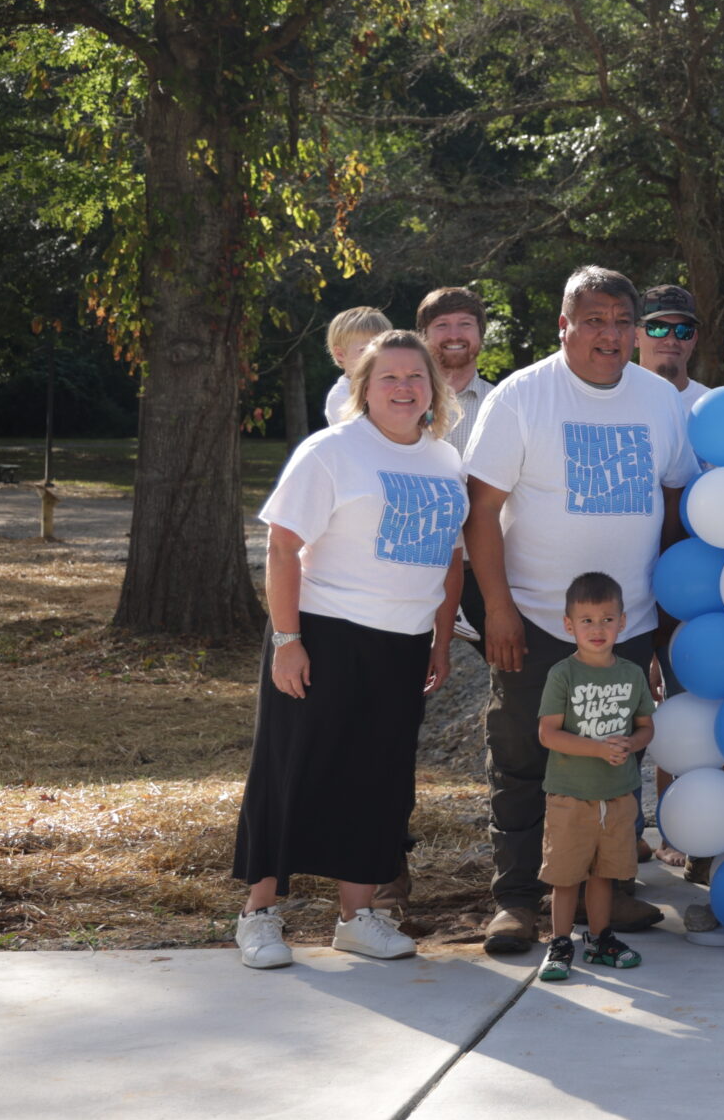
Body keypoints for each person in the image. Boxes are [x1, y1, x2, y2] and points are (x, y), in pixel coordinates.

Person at [462, 267, 695, 953]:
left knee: (614, 763)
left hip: (630, 624)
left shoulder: (659, 401)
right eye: (593, 320)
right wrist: (497, 608)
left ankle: (612, 890)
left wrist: (665, 615)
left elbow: (677, 502)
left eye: (623, 321)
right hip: (534, 619)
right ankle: (517, 896)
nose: (610, 334)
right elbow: (481, 512)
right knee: (526, 756)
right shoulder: (522, 397)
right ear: (562, 326)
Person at [234, 331, 467, 971]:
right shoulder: (331, 452)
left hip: (405, 644)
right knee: (292, 771)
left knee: (380, 781)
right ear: (364, 388)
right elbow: (283, 548)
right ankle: (259, 915)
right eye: (387, 376)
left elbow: (451, 560)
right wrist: (288, 642)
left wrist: (441, 640)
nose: (402, 387)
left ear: (433, 389)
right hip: (324, 635)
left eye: (414, 377)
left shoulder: (445, 462)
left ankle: (356, 917)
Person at [534, 572, 656, 982]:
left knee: (604, 873)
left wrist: (631, 745)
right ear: (568, 625)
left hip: (617, 795)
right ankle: (560, 942)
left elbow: (646, 728)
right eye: (586, 620)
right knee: (566, 877)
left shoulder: (632, 674)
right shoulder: (563, 675)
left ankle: (601, 939)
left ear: (623, 622)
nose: (597, 628)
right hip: (570, 796)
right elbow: (548, 733)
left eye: (607, 619)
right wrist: (599, 748)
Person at [416, 286, 494, 441]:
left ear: (481, 333)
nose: (454, 335)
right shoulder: (404, 401)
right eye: (442, 325)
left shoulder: (502, 403)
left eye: (465, 324)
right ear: (423, 335)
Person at [321, 306, 392, 425]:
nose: (378, 356)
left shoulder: (392, 385)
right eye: (366, 350)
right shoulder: (341, 397)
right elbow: (368, 432)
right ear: (340, 354)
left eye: (385, 349)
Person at [636, 285, 705, 406]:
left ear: (694, 339)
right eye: (657, 328)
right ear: (635, 336)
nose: (671, 341)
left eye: (683, 330)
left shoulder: (711, 406)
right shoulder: (612, 403)